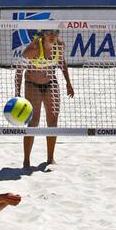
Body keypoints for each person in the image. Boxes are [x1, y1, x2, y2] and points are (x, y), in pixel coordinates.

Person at [16, 30, 74, 169]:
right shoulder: (34, 48)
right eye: (49, 33)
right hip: (32, 84)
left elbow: (61, 62)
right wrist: (17, 92)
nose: (53, 36)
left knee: (53, 121)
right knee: (33, 123)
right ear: (43, 35)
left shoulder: (59, 46)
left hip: (51, 83)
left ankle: (50, 158)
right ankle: (26, 161)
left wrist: (68, 83)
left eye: (55, 32)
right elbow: (19, 70)